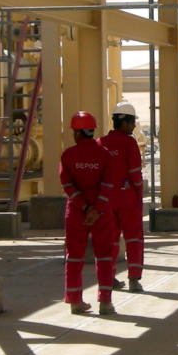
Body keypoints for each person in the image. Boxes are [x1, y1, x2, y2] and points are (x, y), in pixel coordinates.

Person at [59, 110, 124, 315]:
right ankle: (105, 302)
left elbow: (67, 184)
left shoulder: (68, 155)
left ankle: (75, 301)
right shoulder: (104, 155)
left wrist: (84, 207)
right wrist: (96, 208)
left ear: (77, 133)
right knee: (104, 256)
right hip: (101, 212)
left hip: (76, 212)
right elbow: (108, 184)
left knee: (74, 257)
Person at [102, 100, 147, 292]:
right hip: (128, 199)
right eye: (133, 122)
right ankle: (134, 279)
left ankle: (108, 277)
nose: (134, 126)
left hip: (106, 200)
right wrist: (139, 192)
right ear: (125, 122)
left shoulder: (101, 143)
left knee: (110, 239)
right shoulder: (129, 143)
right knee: (133, 239)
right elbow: (135, 172)